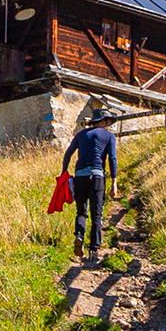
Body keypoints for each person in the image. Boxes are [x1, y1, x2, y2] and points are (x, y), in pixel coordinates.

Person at [63, 107, 119, 260]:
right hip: (96, 177)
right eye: (107, 121)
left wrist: (63, 172)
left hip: (80, 176)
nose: (108, 124)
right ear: (103, 121)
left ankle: (79, 235)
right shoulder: (108, 136)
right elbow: (112, 159)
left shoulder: (80, 135)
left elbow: (68, 153)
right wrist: (114, 181)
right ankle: (93, 250)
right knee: (96, 214)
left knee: (81, 211)